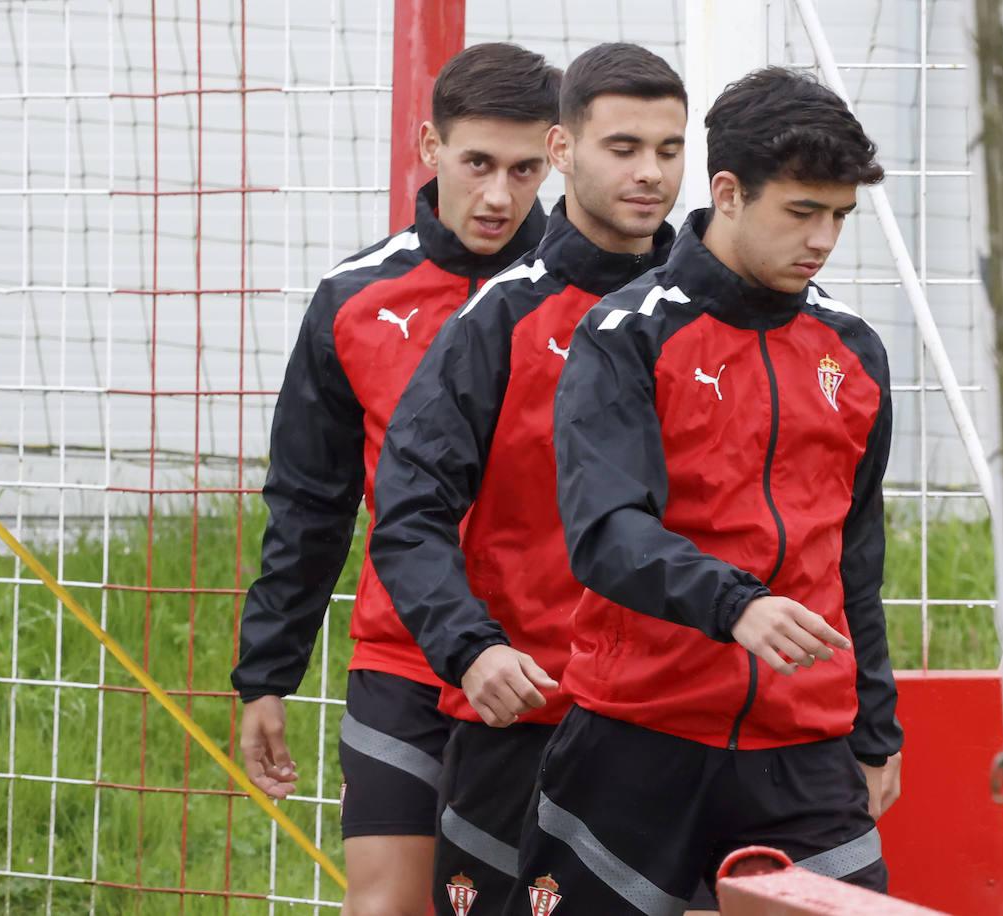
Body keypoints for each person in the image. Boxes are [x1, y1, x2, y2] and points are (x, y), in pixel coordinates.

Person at [509, 66, 904, 914]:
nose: (824, 239)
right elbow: (606, 531)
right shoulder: (625, 334)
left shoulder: (855, 352)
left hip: (806, 752)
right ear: (727, 191)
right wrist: (736, 605)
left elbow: (855, 557)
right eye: (802, 211)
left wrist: (873, 731)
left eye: (839, 216)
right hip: (637, 738)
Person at [229, 43, 560, 916]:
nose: (499, 195)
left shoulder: (605, 301)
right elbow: (310, 499)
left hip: (555, 665)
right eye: (477, 163)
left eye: (525, 169)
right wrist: (267, 674)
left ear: (557, 158)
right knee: (388, 907)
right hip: (404, 659)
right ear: (429, 144)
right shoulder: (355, 300)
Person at [366, 42, 687, 916]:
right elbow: (406, 509)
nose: (650, 173)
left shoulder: (720, 315)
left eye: (669, 149)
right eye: (623, 148)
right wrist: (471, 647)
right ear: (565, 151)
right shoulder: (500, 315)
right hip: (529, 712)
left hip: (684, 726)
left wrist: (861, 715)